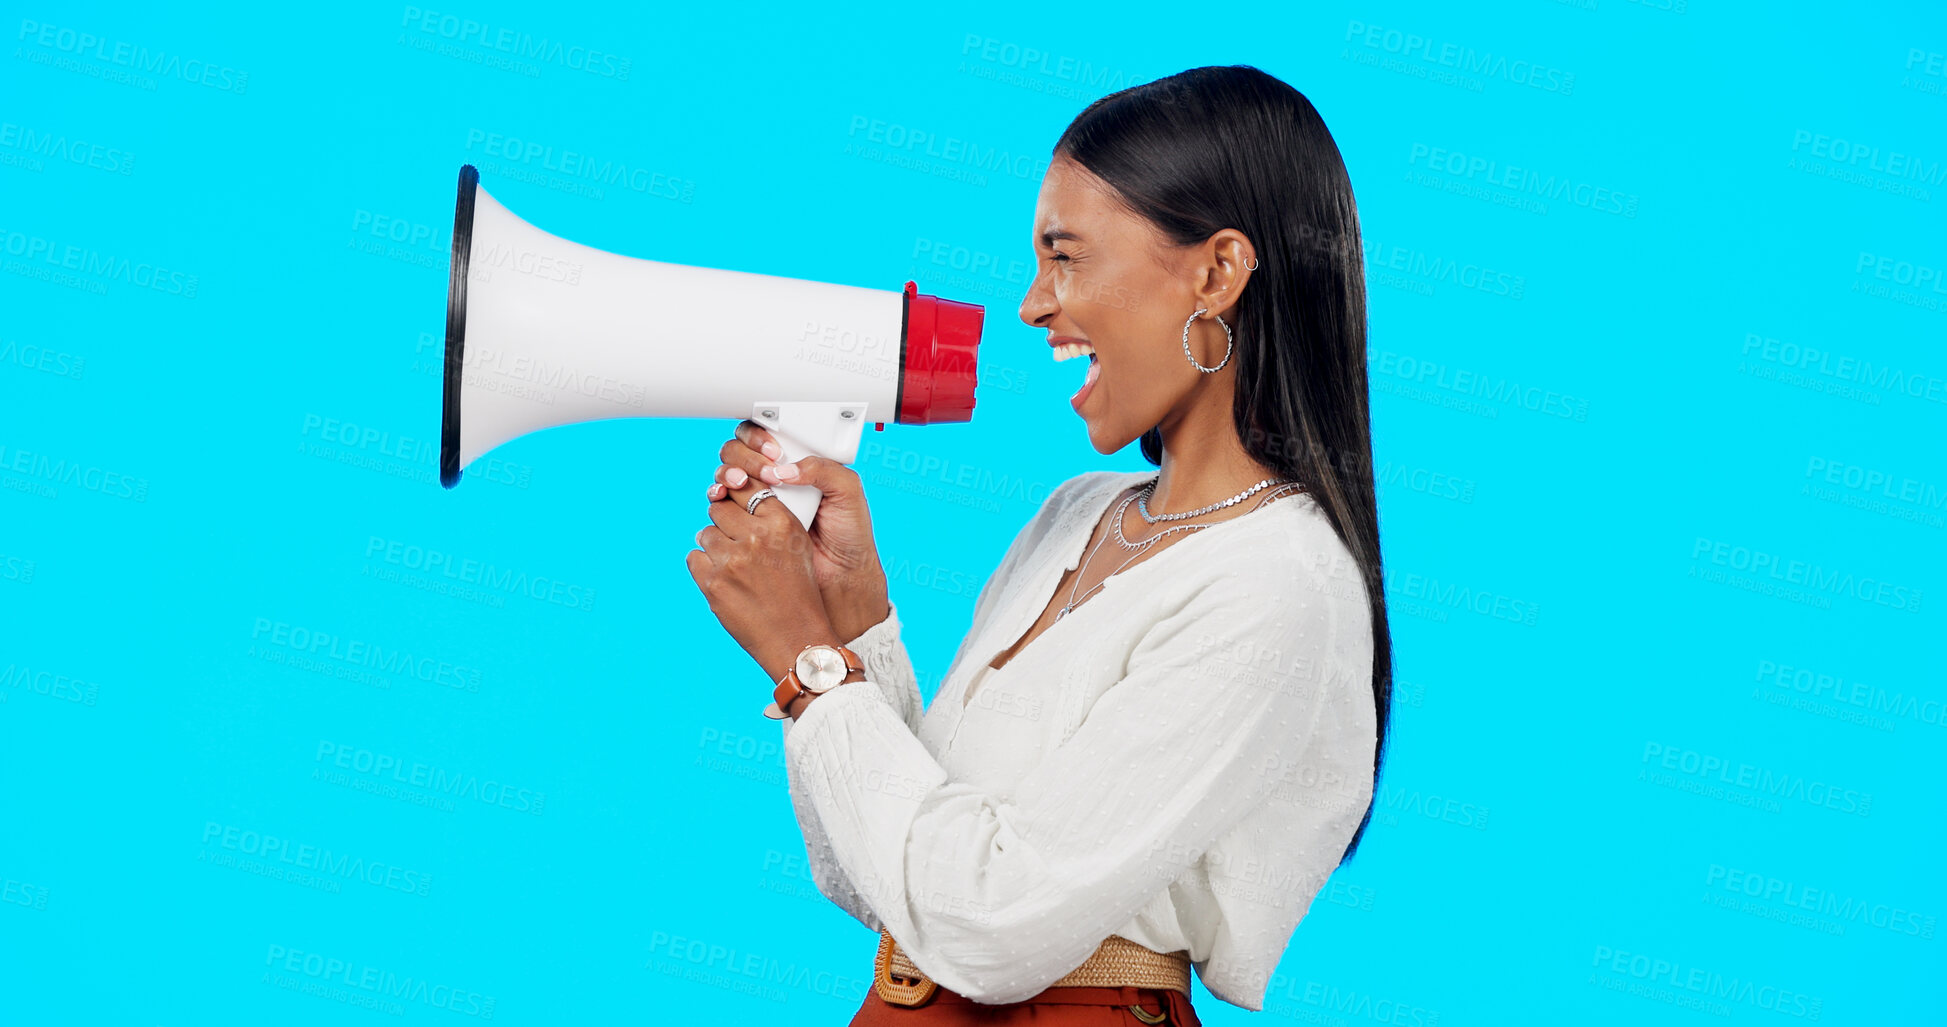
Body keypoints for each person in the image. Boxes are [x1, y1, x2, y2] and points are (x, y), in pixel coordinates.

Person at [685, 64, 1392, 1026]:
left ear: (1217, 272)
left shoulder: (1277, 587)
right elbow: (886, 883)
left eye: (1066, 258)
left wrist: (808, 669)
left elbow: (991, 925)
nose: (1031, 304)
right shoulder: (1077, 514)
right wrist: (848, 619)